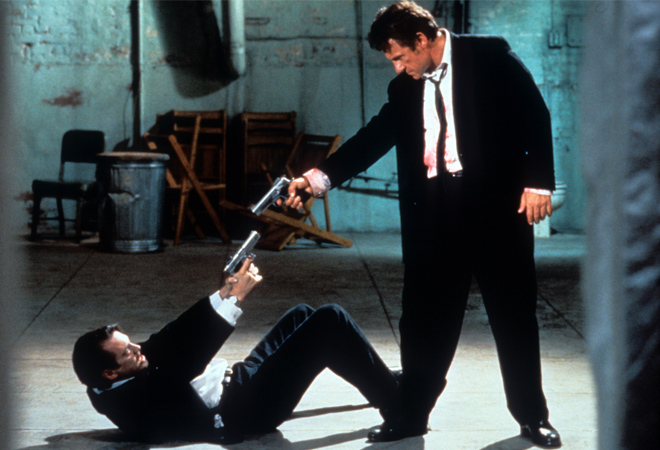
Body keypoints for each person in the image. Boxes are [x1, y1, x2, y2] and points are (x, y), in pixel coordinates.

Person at [284, 1, 560, 447]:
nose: (398, 67)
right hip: (434, 219)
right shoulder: (404, 88)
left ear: (421, 39)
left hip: (495, 213)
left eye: (400, 57)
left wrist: (538, 184)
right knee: (422, 321)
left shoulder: (490, 55)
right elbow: (372, 139)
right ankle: (411, 416)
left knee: (514, 317)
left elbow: (535, 113)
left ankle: (533, 417)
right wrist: (316, 179)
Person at [72, 258, 399, 445]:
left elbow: (167, 338)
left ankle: (380, 379)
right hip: (247, 412)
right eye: (127, 353)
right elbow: (185, 365)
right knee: (329, 319)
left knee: (301, 314)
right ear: (110, 373)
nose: (138, 348)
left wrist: (223, 294)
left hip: (238, 384)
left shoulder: (114, 375)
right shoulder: (128, 405)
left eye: (131, 342)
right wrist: (237, 300)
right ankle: (398, 403)